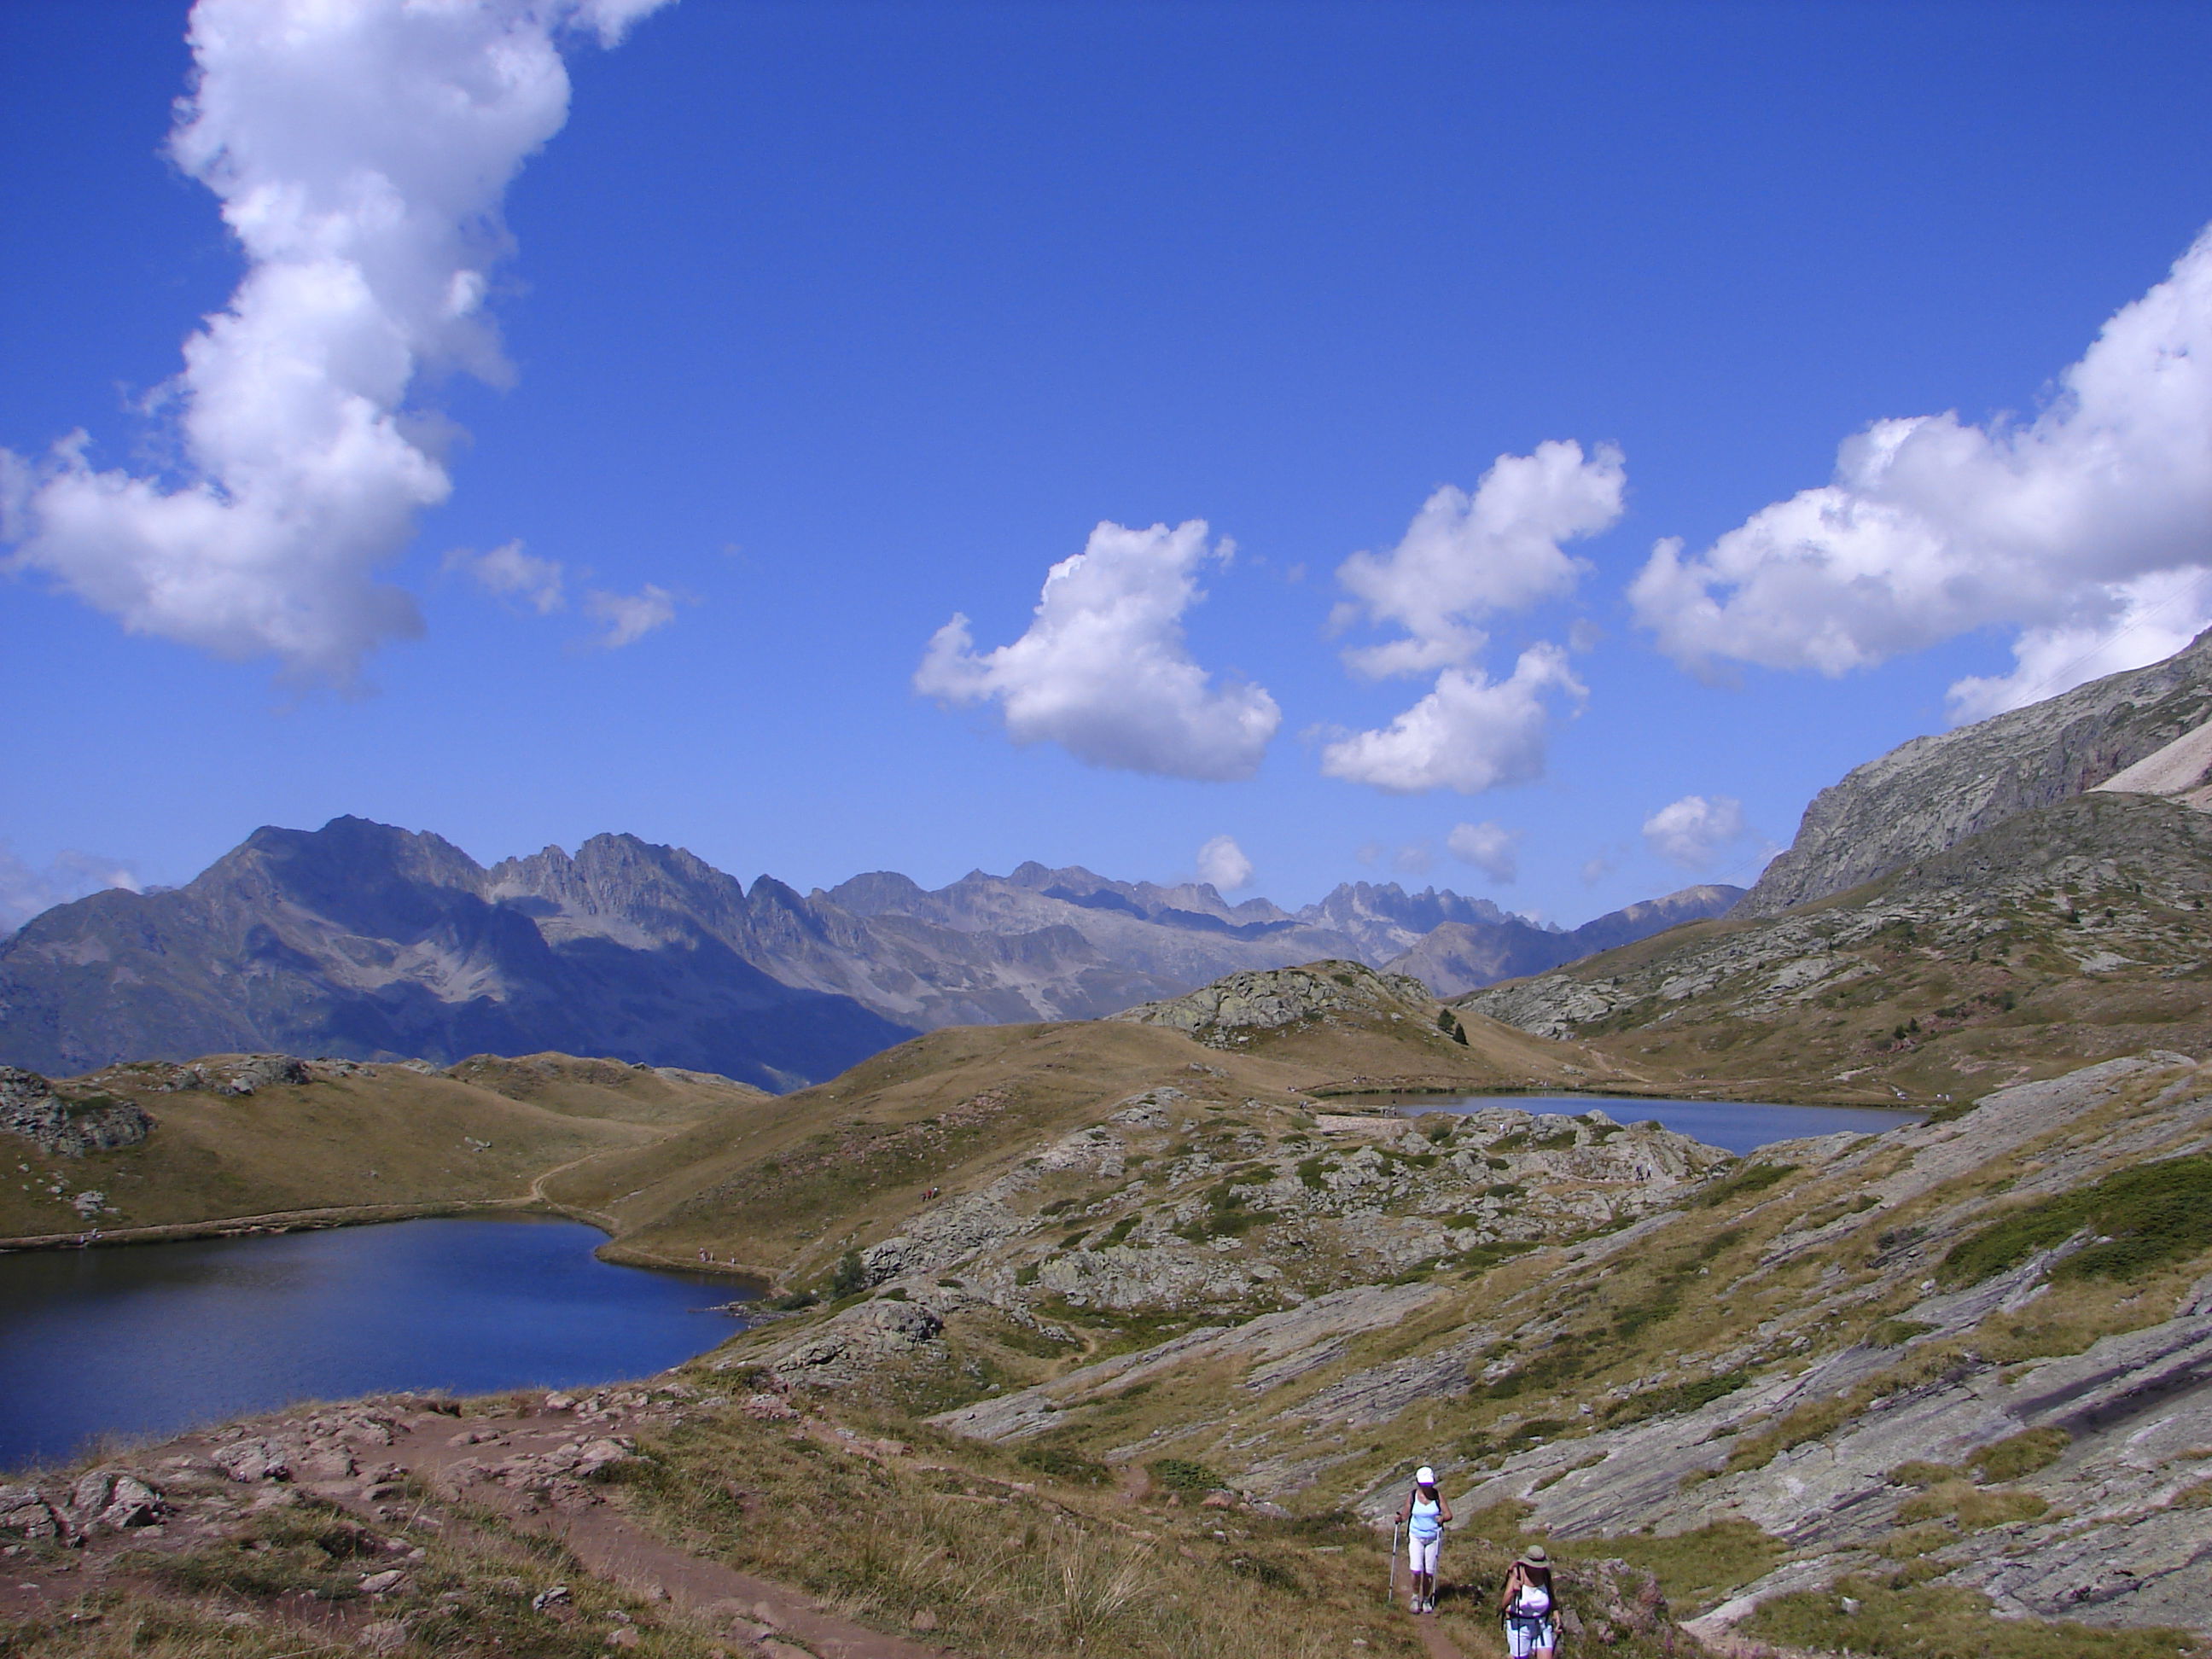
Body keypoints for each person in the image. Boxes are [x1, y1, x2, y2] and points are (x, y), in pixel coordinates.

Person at [1396, 1465, 1451, 1613]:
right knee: (1416, 1569)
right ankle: (1415, 1597)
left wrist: (1442, 1518)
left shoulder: (1438, 1496)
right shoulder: (1413, 1496)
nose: (1427, 1486)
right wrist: (1400, 1518)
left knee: (1429, 1571)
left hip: (1433, 1537)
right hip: (1416, 1536)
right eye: (1424, 1484)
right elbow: (1406, 1514)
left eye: (1429, 1484)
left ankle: (1426, 1598)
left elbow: (1448, 1514)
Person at [1499, 1544, 1558, 1659]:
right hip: (1520, 1626)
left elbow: (1551, 1595)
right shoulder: (1518, 1574)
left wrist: (1555, 1613)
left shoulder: (1545, 1574)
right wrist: (1513, 1591)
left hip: (1542, 1624)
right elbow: (1504, 1604)